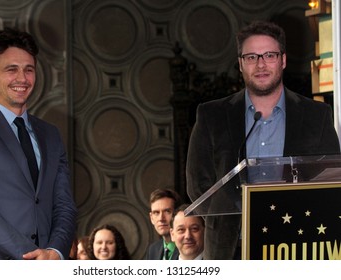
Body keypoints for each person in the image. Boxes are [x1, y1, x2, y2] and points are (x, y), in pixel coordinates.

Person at [186, 20, 341, 260]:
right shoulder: (212, 115)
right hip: (231, 250)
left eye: (269, 55)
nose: (260, 64)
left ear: (283, 60)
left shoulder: (316, 116)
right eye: (251, 57)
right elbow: (198, 187)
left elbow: (330, 182)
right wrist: (246, 215)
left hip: (296, 244)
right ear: (240, 64)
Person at [0, 28, 77, 259]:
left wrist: (55, 252)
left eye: (29, 70)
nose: (22, 78)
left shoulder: (51, 134)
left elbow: (64, 205)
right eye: (12, 69)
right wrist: (31, 255)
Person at [145, 188, 180, 260]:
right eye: (156, 213)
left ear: (178, 214)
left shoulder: (189, 248)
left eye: (167, 211)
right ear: (151, 218)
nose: (161, 218)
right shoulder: (153, 250)